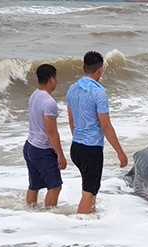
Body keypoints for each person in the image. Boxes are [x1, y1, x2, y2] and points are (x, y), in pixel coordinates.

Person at [66, 51, 128, 214]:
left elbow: (71, 120)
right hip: (91, 148)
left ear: (84, 67)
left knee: (89, 188)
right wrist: (120, 152)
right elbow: (106, 126)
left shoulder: (72, 89)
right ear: (100, 70)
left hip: (76, 147)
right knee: (89, 191)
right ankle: (80, 227)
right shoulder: (98, 92)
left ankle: (89, 222)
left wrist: (78, 139)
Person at [23, 63, 67, 208]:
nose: (57, 81)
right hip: (42, 149)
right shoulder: (49, 102)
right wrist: (60, 154)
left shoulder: (34, 95)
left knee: (34, 185)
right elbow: (51, 131)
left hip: (30, 146)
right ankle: (48, 219)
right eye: (56, 78)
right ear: (51, 79)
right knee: (55, 187)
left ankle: (29, 213)